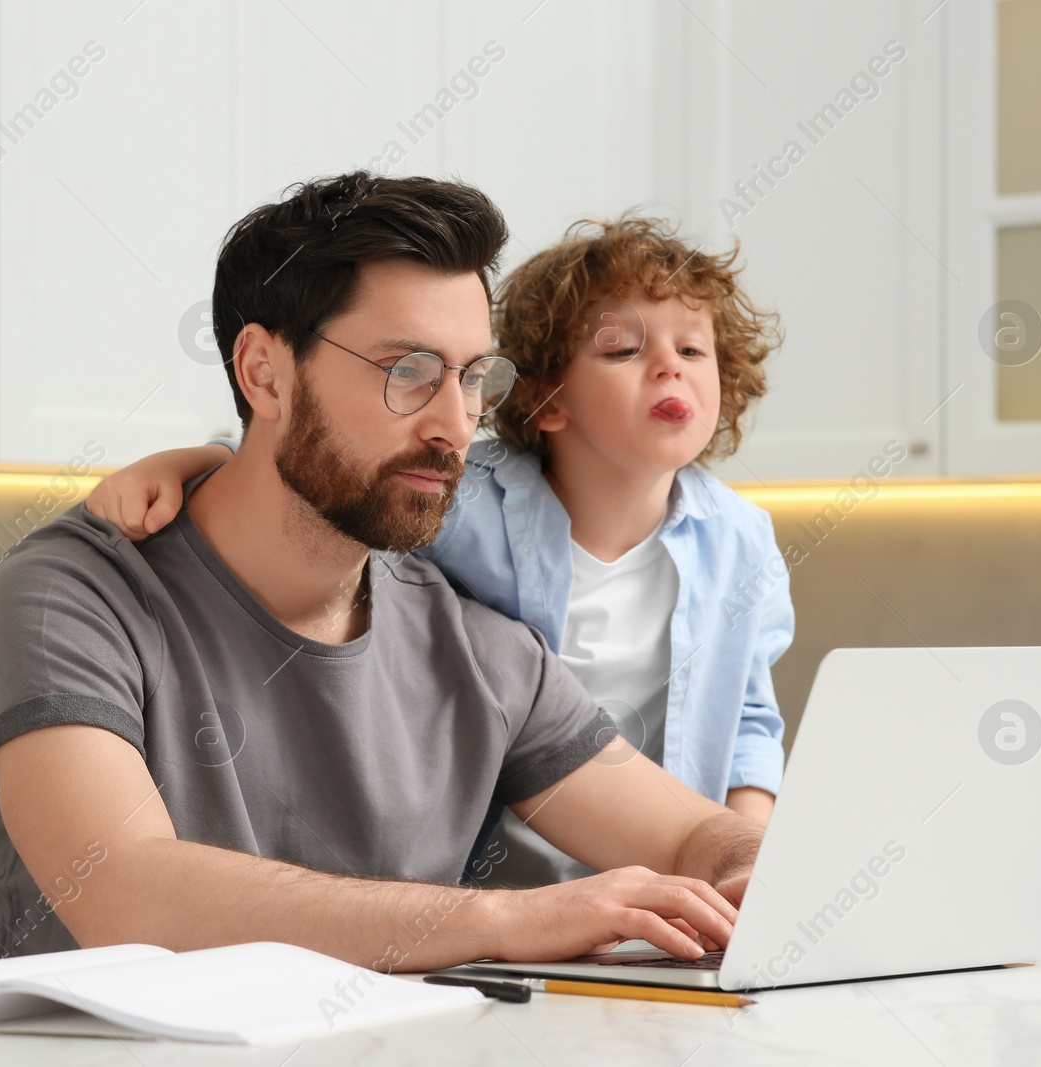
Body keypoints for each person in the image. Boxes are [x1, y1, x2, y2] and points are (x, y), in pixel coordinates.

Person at [0, 172, 762, 971]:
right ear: (264, 372)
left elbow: (692, 833)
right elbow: (126, 894)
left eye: (474, 376)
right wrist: (504, 917)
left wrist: (743, 866)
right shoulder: (71, 597)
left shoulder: (478, 648)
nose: (454, 424)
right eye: (407, 369)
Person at [88, 216, 792, 889]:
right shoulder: (460, 493)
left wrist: (741, 859)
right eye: (623, 350)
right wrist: (190, 463)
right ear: (547, 401)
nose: (670, 368)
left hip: (661, 868)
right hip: (490, 888)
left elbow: (752, 721)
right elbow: (300, 463)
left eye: (694, 350)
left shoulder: (741, 539)